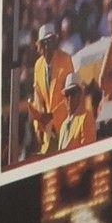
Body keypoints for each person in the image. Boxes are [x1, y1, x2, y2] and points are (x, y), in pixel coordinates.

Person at [23, 21, 74, 157]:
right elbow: (38, 99)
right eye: (44, 43)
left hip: (65, 126)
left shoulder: (65, 59)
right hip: (47, 132)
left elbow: (71, 95)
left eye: (51, 41)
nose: (48, 46)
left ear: (55, 42)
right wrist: (39, 126)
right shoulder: (38, 66)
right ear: (39, 46)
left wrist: (52, 116)